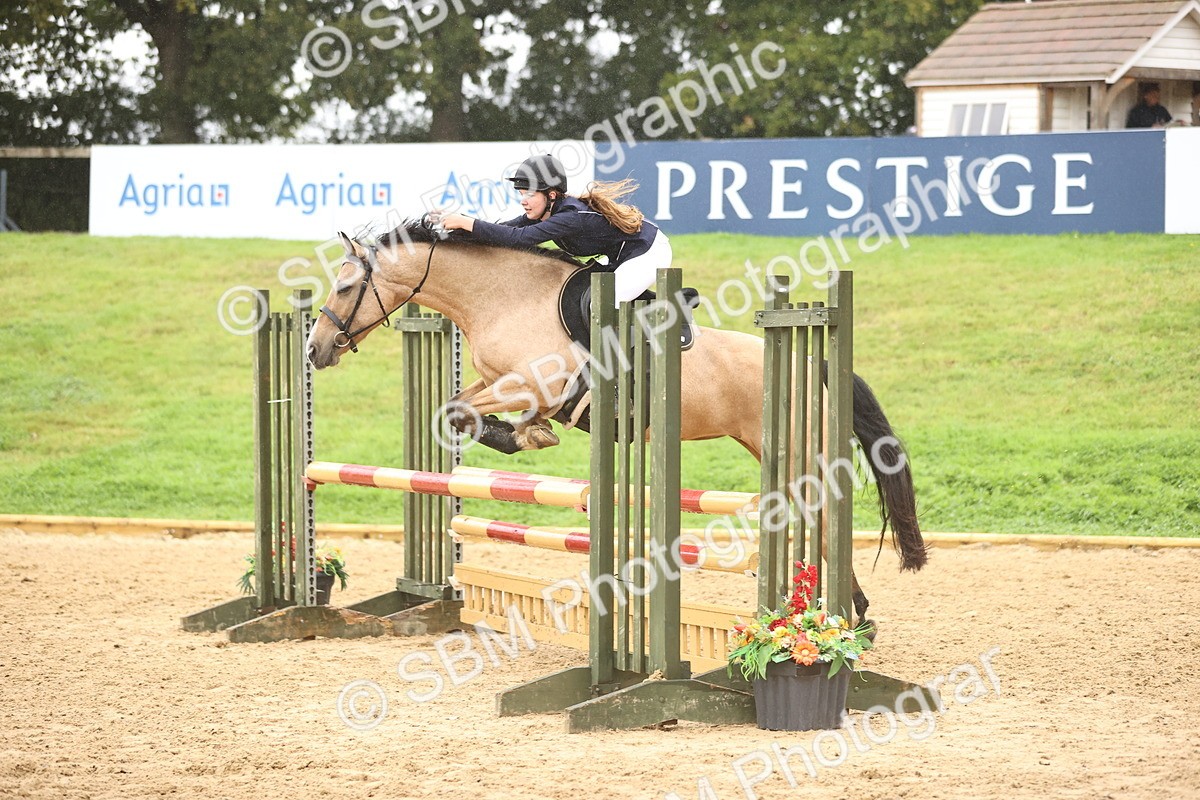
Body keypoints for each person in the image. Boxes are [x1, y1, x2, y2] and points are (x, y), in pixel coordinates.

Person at [434, 154, 671, 303]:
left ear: (551, 194)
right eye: (520, 193)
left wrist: (467, 222)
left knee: (603, 304)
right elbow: (504, 231)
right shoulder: (548, 211)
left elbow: (519, 239)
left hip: (648, 252)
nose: (522, 200)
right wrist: (459, 230)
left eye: (528, 193)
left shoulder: (570, 217)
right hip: (621, 256)